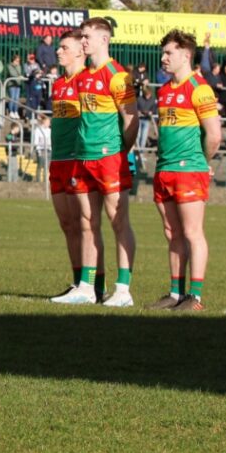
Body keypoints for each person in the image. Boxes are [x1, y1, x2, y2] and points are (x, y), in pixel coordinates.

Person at [53, 18, 137, 306]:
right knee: (88, 223)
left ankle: (123, 290)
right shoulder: (85, 76)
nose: (83, 41)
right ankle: (88, 288)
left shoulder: (117, 75)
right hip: (83, 159)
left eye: (87, 36)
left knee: (118, 221)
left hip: (109, 158)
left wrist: (120, 152)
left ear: (104, 39)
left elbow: (131, 119)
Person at [149, 29, 221, 312]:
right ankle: (175, 293)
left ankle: (196, 297)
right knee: (172, 232)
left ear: (186, 55)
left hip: (189, 170)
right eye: (163, 52)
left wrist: (203, 162)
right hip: (164, 169)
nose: (164, 58)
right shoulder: (165, 90)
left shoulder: (200, 88)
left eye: (169, 53)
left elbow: (214, 135)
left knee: (193, 232)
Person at [47, 30, 103, 299]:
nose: (59, 51)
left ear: (80, 51)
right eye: (58, 47)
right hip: (57, 160)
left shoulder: (87, 80)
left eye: (64, 47)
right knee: (67, 224)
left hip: (77, 160)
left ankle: (92, 284)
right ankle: (77, 282)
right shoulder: (58, 83)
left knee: (86, 224)